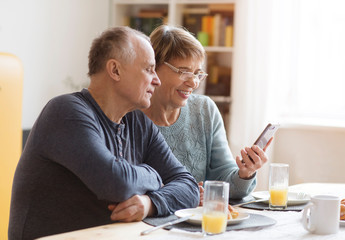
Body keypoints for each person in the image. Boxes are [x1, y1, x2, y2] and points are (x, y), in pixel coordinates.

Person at [8, 26, 199, 240]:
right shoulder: (65, 112)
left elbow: (188, 186)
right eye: (148, 69)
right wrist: (154, 175)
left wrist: (150, 203)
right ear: (115, 70)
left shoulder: (137, 122)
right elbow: (117, 183)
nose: (157, 79)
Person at [143, 25, 271, 202]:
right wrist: (182, 194)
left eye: (197, 73)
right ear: (153, 68)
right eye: (184, 72)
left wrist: (245, 173)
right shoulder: (129, 117)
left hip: (198, 222)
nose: (194, 83)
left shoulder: (204, 110)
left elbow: (225, 180)